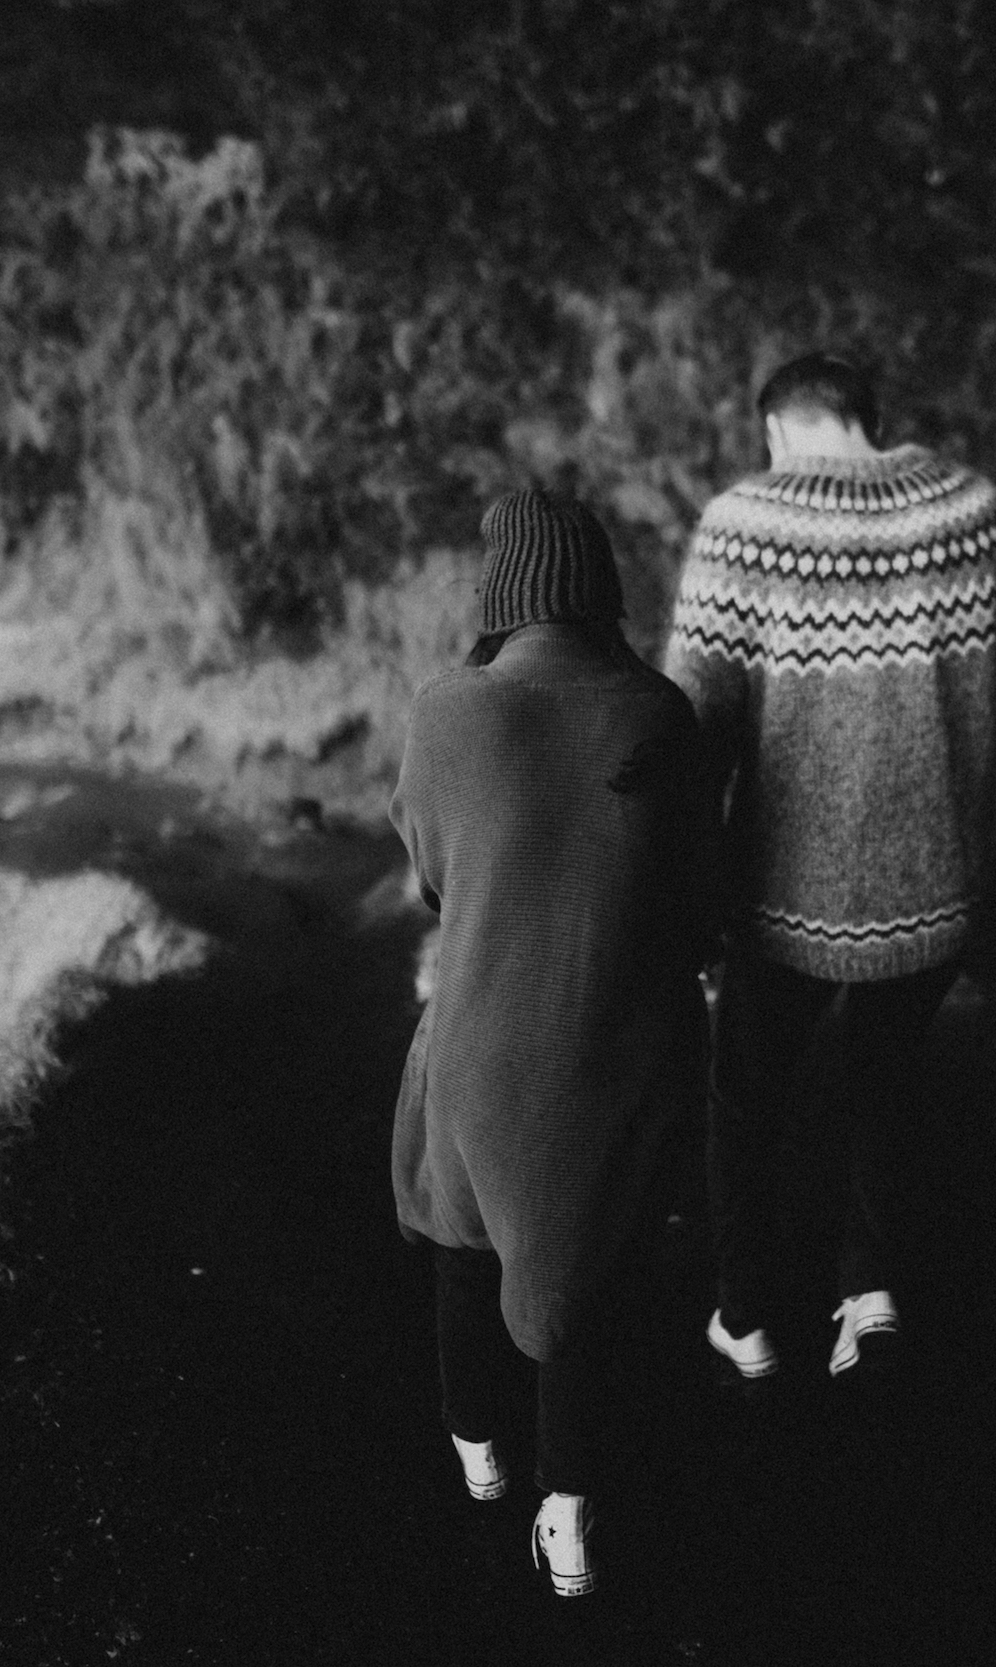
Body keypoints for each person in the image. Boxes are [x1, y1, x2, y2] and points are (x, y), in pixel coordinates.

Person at [663, 351, 996, 1381]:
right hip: (937, 895)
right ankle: (869, 1296)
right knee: (883, 1086)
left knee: (745, 1099)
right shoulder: (972, 509)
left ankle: (747, 1315)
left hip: (779, 904)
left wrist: (686, 882)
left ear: (777, 432)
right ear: (866, 419)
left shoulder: (744, 524)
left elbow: (690, 727)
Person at [389, 487, 710, 1598]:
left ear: (502, 594)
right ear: (600, 592)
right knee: (581, 1272)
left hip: (480, 1034)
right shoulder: (661, 714)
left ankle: (478, 1457)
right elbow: (690, 901)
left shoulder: (449, 712)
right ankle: (566, 1518)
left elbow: (430, 874)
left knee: (463, 1236)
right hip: (617, 1043)